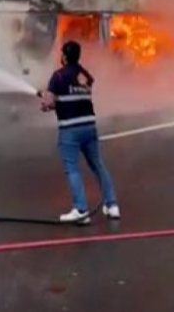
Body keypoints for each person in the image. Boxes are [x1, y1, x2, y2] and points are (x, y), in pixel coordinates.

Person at [38, 40, 120, 224]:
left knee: (72, 169)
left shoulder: (58, 76)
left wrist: (45, 101)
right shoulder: (85, 76)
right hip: (89, 127)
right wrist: (56, 101)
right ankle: (112, 205)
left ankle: (81, 210)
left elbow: (48, 103)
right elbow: (73, 98)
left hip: (70, 131)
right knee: (98, 165)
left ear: (65, 56)